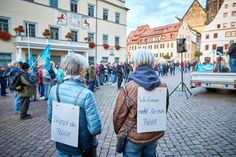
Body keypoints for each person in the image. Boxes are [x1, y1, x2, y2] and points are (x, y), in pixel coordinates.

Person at [113, 50, 169, 157]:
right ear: (152, 63)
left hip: (133, 137)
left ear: (136, 64)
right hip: (153, 134)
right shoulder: (163, 85)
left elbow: (118, 116)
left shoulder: (129, 87)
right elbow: (163, 109)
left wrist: (120, 132)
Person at [47, 53, 102, 157]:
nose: (86, 71)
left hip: (62, 143)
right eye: (85, 69)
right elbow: (96, 128)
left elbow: (50, 118)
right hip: (82, 147)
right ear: (81, 70)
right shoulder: (86, 94)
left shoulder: (54, 90)